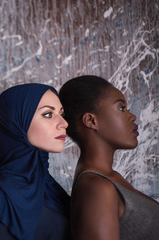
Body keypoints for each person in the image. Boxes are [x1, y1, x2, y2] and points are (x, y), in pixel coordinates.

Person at [59, 75, 159, 240]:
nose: (132, 116)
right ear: (91, 120)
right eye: (121, 108)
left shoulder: (110, 178)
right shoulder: (97, 188)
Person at [0, 83, 71, 240]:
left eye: (61, 113)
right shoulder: (5, 199)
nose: (64, 123)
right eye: (48, 114)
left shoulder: (47, 185)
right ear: (16, 122)